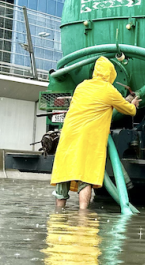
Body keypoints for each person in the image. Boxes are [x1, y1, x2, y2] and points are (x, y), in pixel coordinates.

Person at [51, 57, 139, 210]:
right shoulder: (108, 90)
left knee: (63, 175)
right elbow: (129, 110)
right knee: (85, 176)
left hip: (69, 135)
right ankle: (83, 215)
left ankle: (58, 214)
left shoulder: (81, 86)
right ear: (110, 74)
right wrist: (134, 104)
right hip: (88, 138)